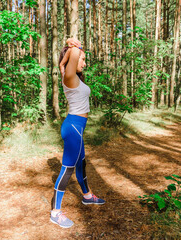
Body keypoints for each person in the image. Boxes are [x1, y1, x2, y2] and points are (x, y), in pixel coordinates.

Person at [50, 38, 105, 228]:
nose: (84, 62)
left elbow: (63, 63)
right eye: (82, 59)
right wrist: (73, 43)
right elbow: (72, 54)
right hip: (73, 127)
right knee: (68, 169)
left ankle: (87, 196)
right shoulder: (69, 77)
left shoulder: (71, 75)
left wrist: (63, 60)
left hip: (77, 127)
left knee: (81, 163)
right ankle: (55, 212)